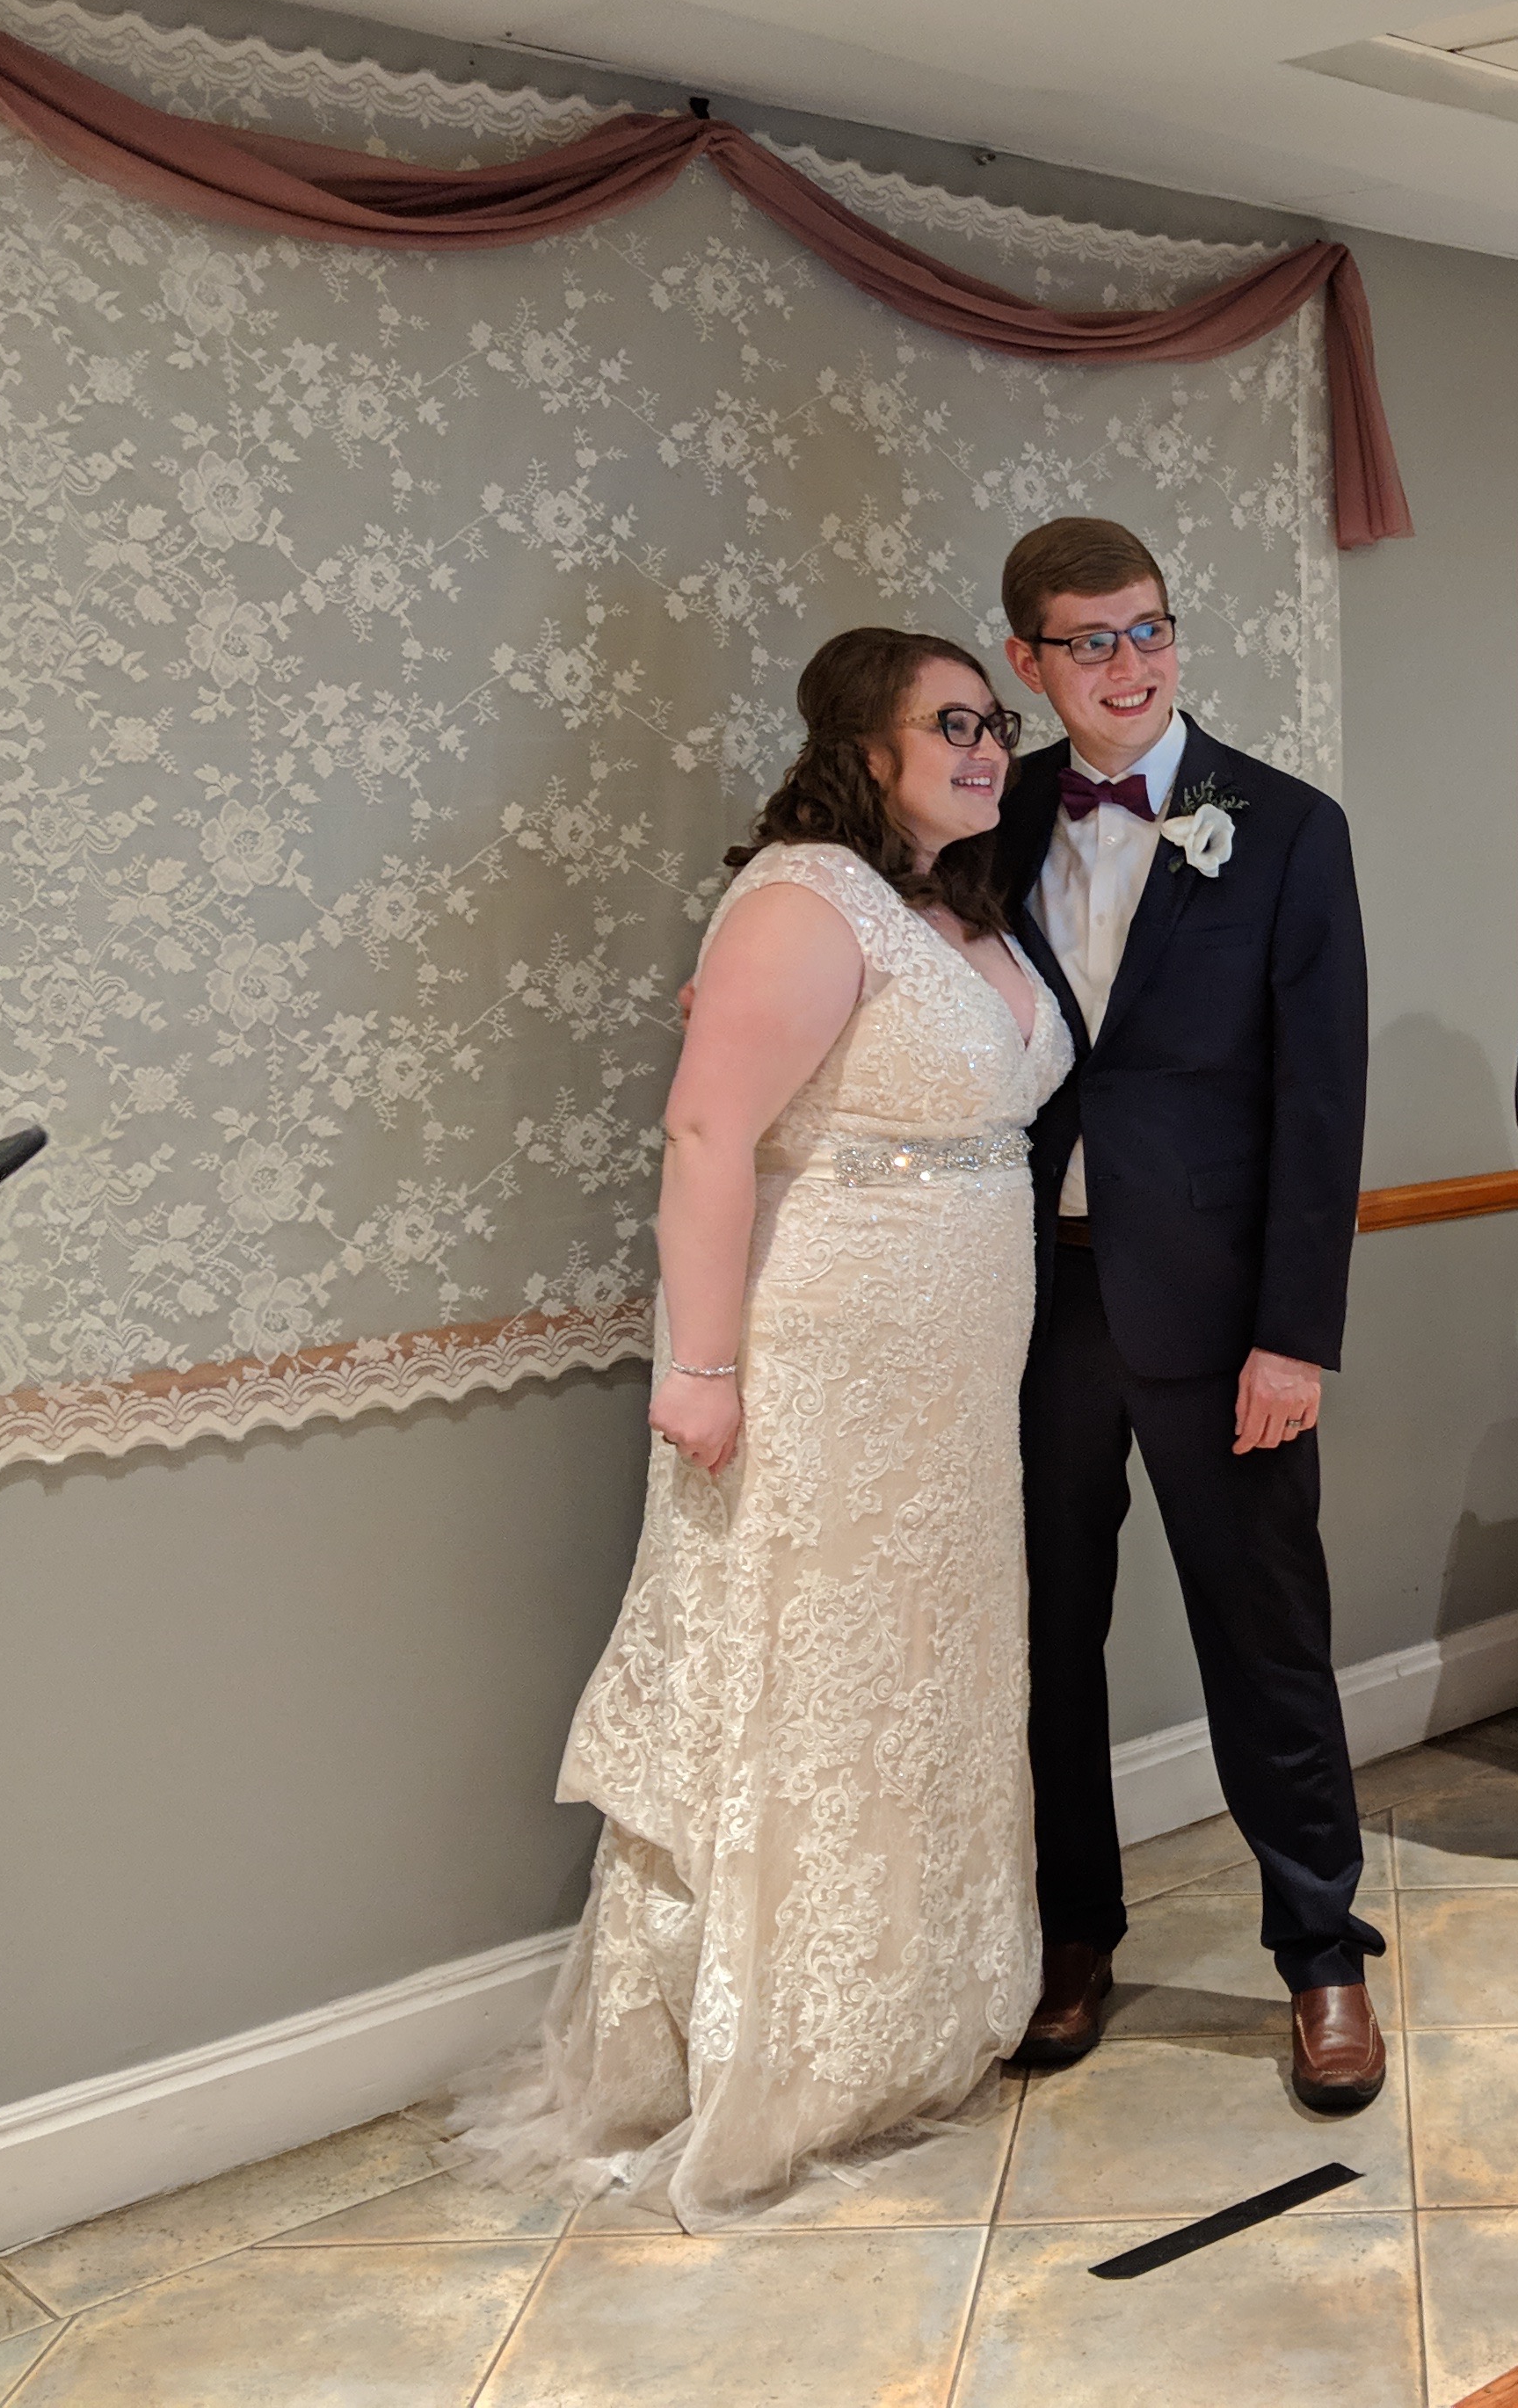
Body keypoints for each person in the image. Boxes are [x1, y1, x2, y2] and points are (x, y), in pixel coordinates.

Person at [459, 627, 1071, 2223]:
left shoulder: (952, 905)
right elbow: (709, 1129)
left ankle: (909, 2014)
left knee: (916, 1674)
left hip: (949, 1380)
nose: (988, 745)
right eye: (951, 722)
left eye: (993, 721)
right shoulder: (809, 894)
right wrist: (705, 1367)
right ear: (860, 744)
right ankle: (775, 2045)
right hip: (822, 1365)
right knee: (804, 1675)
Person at [989, 519, 1379, 2108]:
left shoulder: (1283, 826)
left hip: (1220, 1311)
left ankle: (1323, 1957)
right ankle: (1074, 1934)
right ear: (1026, 662)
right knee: (1044, 1640)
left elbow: (1322, 1097)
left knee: (1265, 1634)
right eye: (1090, 640)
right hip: (1022, 1303)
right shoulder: (988, 814)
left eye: (1148, 628)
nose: (1131, 663)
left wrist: (1294, 1333)